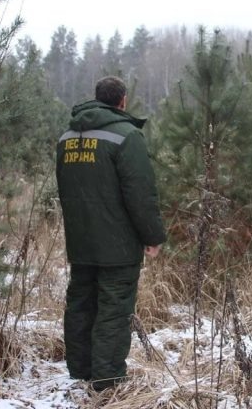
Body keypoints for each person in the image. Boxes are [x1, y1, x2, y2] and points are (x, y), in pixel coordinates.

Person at [56, 76, 166, 391]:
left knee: (81, 304)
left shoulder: (66, 137)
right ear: (122, 101)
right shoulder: (126, 136)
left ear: (97, 98)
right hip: (118, 246)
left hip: (80, 242)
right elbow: (140, 193)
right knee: (114, 309)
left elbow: (66, 189)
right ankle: (107, 382)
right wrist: (152, 235)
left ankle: (82, 371)